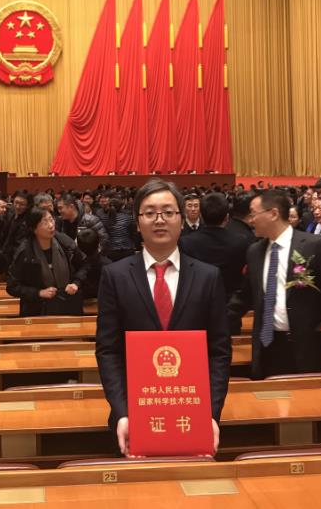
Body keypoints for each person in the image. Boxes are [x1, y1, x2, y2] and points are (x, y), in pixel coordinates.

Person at [95, 179, 230, 456]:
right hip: (133, 417)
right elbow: (108, 351)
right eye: (150, 213)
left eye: (168, 212)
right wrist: (122, 412)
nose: (159, 220)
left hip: (194, 414)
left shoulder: (208, 276)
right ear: (137, 222)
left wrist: (211, 413)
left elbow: (219, 352)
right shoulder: (115, 276)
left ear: (182, 220)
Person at [228, 190, 321, 379]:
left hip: (309, 346)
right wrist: (212, 327)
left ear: (273, 214)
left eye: (254, 214)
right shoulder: (254, 251)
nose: (251, 220)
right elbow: (243, 298)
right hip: (268, 346)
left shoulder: (315, 246)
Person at [6, 207, 87, 317]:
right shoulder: (25, 252)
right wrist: (38, 293)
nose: (51, 225)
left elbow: (84, 265)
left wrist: (76, 283)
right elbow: (12, 287)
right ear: (34, 229)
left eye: (51, 219)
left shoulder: (65, 242)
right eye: (45, 222)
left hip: (68, 303)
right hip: (38, 310)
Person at [179, 192, 248, 301]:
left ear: (201, 216)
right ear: (227, 217)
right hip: (230, 302)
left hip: (197, 301)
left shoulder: (186, 243)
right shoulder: (241, 242)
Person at [97, 196, 137, 262]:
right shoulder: (128, 217)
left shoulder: (104, 218)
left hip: (111, 250)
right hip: (127, 248)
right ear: (122, 207)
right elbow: (133, 233)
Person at [77, 227, 111, 299]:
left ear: (79, 248)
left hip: (85, 298)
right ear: (99, 244)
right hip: (104, 298)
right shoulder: (108, 264)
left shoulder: (78, 266)